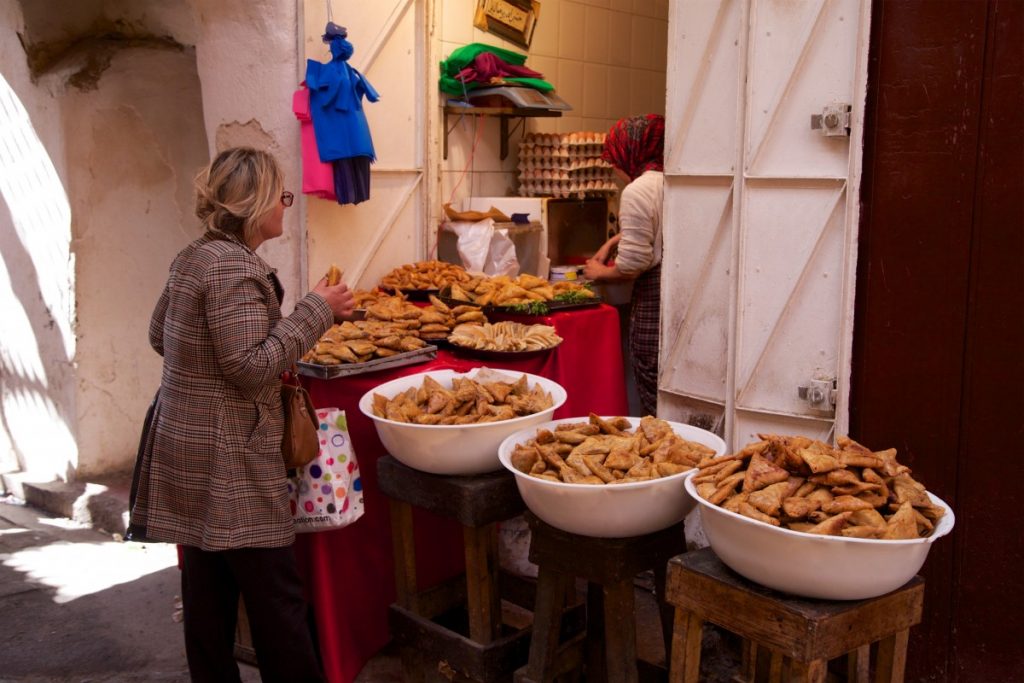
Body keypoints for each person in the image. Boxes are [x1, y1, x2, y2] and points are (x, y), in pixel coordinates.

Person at [129, 147, 355, 682]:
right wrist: (317, 310)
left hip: (187, 444)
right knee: (277, 602)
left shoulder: (195, 256)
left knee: (208, 596)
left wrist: (201, 373)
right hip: (231, 459)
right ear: (254, 205)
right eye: (282, 195)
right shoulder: (234, 268)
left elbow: (160, 335)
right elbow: (250, 368)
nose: (287, 205)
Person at [583, 114, 666, 417]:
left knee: (653, 392)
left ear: (630, 151)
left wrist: (600, 272)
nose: (614, 169)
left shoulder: (637, 190)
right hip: (677, 300)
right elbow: (655, 229)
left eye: (612, 159)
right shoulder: (675, 179)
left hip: (653, 305)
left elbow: (633, 264)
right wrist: (612, 242)